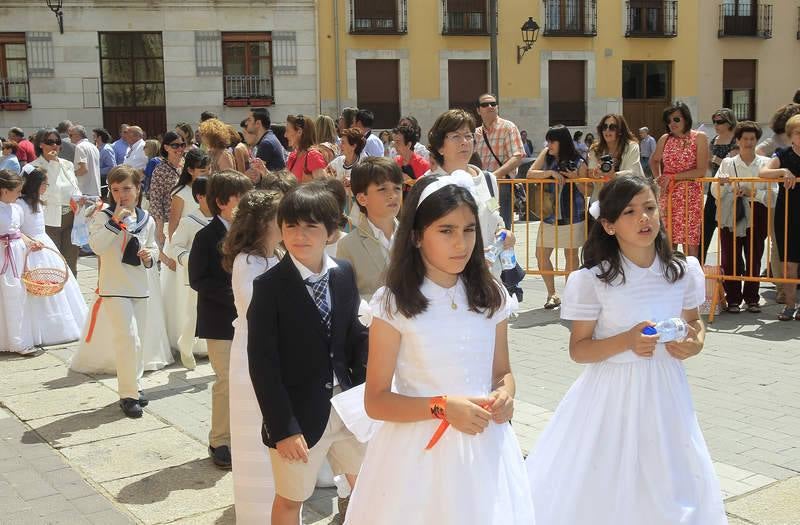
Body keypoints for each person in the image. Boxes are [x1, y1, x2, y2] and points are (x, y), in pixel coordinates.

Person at [525, 174, 726, 525]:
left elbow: (693, 322)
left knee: (668, 475)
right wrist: (626, 342)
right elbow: (579, 350)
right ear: (609, 225)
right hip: (611, 395)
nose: (643, 218)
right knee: (608, 475)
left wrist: (696, 340)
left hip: (666, 392)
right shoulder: (593, 280)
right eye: (630, 212)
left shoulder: (682, 270)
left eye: (649, 208)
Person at [344, 174, 535, 525]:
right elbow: (377, 400)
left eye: (468, 230)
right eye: (445, 231)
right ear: (417, 237)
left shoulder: (491, 295)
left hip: (485, 446)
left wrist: (505, 395)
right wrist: (443, 407)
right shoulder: (394, 302)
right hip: (418, 453)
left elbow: (501, 371)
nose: (460, 243)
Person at [247, 182, 368, 525]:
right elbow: (263, 364)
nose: (299, 235)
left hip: (347, 408)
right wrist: (283, 428)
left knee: (367, 486)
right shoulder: (269, 287)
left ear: (332, 231)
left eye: (311, 226)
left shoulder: (343, 274)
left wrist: (365, 394)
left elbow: (353, 338)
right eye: (290, 226)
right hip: (297, 416)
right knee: (291, 498)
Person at [74, 165, 164, 418]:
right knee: (128, 338)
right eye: (115, 189)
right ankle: (127, 395)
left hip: (140, 287)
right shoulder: (102, 216)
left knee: (139, 342)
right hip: (113, 287)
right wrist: (115, 222)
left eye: (127, 188)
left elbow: (153, 248)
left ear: (138, 189)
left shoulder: (147, 219)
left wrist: (150, 256)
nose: (121, 194)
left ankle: (135, 385)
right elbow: (97, 247)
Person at [222, 189, 283, 525]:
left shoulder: (277, 257)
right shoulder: (248, 261)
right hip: (252, 353)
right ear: (262, 223)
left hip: (276, 351)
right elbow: (253, 304)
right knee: (254, 436)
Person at [189, 170, 254, 469]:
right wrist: (237, 296)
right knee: (226, 380)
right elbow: (198, 280)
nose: (246, 202)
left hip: (251, 321)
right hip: (220, 322)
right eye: (240, 197)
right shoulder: (206, 236)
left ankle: (245, 437)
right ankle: (220, 440)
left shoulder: (252, 235)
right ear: (221, 202)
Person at [425, 109, 515, 280]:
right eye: (456, 136)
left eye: (468, 136)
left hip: (489, 279)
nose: (464, 142)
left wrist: (504, 233)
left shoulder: (488, 180)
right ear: (440, 147)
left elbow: (495, 216)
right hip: (448, 280)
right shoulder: (429, 185)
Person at [18, 169, 88, 346]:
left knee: (55, 282)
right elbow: (17, 228)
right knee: (34, 282)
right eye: (44, 184)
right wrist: (29, 241)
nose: (46, 188)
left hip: (44, 242)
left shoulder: (39, 203)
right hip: (30, 244)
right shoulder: (20, 204)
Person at [713, 121, 773, 313]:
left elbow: (773, 194)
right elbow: (715, 192)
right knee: (730, 256)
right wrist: (724, 185)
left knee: (754, 256)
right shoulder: (728, 163)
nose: (748, 142)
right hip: (732, 214)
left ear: (757, 140)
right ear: (737, 140)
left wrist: (752, 192)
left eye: (752, 138)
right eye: (744, 138)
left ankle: (752, 298)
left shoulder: (766, 164)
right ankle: (733, 299)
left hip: (758, 213)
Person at [528, 125, 588, 309]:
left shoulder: (579, 161)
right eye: (548, 140)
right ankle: (552, 294)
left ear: (562, 142)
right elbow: (530, 173)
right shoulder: (546, 155)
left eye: (552, 141)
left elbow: (587, 190)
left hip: (573, 215)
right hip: (549, 215)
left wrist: (575, 178)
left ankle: (570, 296)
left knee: (570, 256)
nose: (549, 144)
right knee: (541, 254)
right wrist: (550, 173)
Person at [162, 149, 210, 350]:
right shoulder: (181, 193)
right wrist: (173, 256)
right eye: (201, 170)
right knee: (185, 299)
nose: (206, 173)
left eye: (208, 169)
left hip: (206, 248)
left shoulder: (210, 190)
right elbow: (173, 225)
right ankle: (185, 340)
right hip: (185, 248)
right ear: (190, 170)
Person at [336, 157, 403, 299]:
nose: (393, 195)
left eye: (397, 188)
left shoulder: (415, 237)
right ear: (362, 199)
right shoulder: (348, 245)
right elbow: (346, 297)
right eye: (383, 189)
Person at [650, 101, 709, 258]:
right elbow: (653, 160)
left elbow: (701, 171)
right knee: (668, 243)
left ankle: (690, 279)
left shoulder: (699, 138)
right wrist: (659, 179)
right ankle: (670, 278)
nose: (672, 124)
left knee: (690, 244)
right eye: (668, 121)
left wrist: (672, 177)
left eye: (676, 119)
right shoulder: (665, 139)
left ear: (686, 118)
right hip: (668, 195)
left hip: (690, 196)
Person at [23, 128, 81, 276]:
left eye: (57, 142)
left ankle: (72, 294)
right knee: (53, 260)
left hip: (71, 217)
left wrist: (81, 199)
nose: (54, 145)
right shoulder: (32, 167)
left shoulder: (67, 164)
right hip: (48, 219)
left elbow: (73, 188)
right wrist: (53, 164)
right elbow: (49, 190)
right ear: (41, 144)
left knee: (71, 259)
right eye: (50, 142)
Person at [759, 114, 800, 321]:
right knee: (788, 263)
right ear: (791, 136)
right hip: (787, 214)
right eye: (798, 133)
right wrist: (783, 171)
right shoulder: (783, 154)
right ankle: (790, 305)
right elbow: (763, 172)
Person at [0, 169, 44, 356]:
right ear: (4, 190)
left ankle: (17, 340)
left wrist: (30, 242)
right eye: (17, 191)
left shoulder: (16, 208)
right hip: (3, 254)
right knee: (6, 295)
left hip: (16, 255)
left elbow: (18, 232)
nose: (19, 194)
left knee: (17, 295)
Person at [474, 93, 524, 229]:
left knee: (502, 226)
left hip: (501, 186)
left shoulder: (508, 127)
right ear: (478, 110)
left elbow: (518, 156)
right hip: (483, 187)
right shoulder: (476, 133)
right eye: (485, 104)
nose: (490, 106)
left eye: (493, 104)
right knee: (485, 224)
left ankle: (505, 250)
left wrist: (493, 177)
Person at [703, 108, 738, 265]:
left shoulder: (735, 139)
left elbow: (731, 163)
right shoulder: (714, 139)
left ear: (729, 122)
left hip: (731, 188)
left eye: (720, 121)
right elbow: (712, 165)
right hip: (714, 185)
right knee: (707, 225)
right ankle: (700, 261)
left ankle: (734, 265)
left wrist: (715, 158)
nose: (716, 125)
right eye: (715, 121)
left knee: (730, 228)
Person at [587, 113, 643, 205]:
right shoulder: (595, 148)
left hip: (629, 198)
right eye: (604, 127)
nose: (607, 130)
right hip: (603, 199)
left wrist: (612, 175)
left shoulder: (632, 146)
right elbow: (591, 172)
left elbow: (632, 172)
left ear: (620, 131)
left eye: (612, 127)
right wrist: (597, 173)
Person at [148, 131, 186, 253]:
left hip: (187, 218)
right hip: (169, 221)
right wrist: (159, 227)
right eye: (175, 145)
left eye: (182, 145)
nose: (179, 148)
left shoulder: (187, 166)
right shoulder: (160, 170)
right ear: (166, 147)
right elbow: (155, 199)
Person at [285, 114, 327, 183]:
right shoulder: (293, 156)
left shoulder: (312, 156)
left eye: (288, 131)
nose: (285, 135)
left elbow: (323, 187)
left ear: (299, 132)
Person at [392, 125, 429, 192]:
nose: (394, 145)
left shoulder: (423, 165)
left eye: (397, 142)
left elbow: (426, 190)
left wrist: (410, 181)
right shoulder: (394, 163)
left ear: (409, 144)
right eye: (394, 142)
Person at [69, 125, 101, 198]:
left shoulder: (79, 147)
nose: (69, 137)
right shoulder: (93, 147)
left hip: (84, 192)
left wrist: (70, 174)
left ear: (77, 135)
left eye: (71, 135)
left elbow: (83, 169)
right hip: (95, 190)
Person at [93, 128, 117, 198]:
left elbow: (112, 167)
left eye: (94, 136)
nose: (93, 138)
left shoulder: (106, 149)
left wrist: (97, 171)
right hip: (99, 180)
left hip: (104, 181)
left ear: (99, 137)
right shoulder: (96, 148)